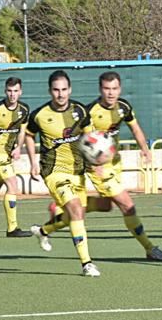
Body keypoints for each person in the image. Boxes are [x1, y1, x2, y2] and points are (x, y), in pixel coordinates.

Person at [45, 72, 162, 261]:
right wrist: (91, 161)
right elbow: (76, 138)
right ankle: (150, 248)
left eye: (114, 89)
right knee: (128, 205)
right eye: (106, 89)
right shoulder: (89, 111)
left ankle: (62, 212)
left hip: (115, 164)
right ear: (100, 89)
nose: (111, 93)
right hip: (98, 168)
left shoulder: (124, 107)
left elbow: (135, 127)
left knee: (106, 206)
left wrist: (145, 149)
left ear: (119, 89)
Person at [26, 70, 100, 277]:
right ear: (50, 91)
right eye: (56, 90)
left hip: (78, 172)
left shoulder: (81, 111)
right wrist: (33, 162)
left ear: (70, 89)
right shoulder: (39, 115)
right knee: (76, 209)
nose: (60, 94)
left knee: (74, 216)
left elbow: (91, 138)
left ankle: (42, 232)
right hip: (53, 172)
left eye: (64, 90)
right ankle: (87, 263)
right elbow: (29, 136)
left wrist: (95, 160)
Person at [0, 77, 32, 237]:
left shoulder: (24, 109)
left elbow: (22, 132)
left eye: (15, 91)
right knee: (13, 184)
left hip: (7, 154)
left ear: (20, 92)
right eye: (9, 91)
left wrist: (18, 148)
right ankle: (12, 228)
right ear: (5, 91)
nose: (12, 94)